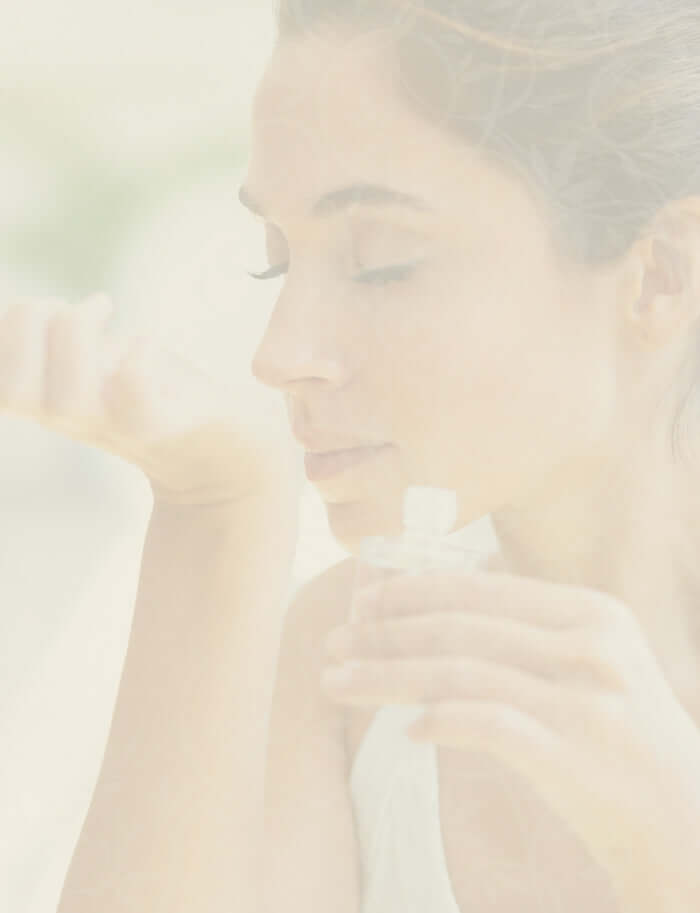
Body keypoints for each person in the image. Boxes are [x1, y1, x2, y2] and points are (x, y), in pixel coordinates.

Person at [31, 0, 700, 910]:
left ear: (661, 268)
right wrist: (216, 511)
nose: (278, 353)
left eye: (382, 260)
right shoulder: (351, 668)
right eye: (276, 263)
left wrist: (669, 847)